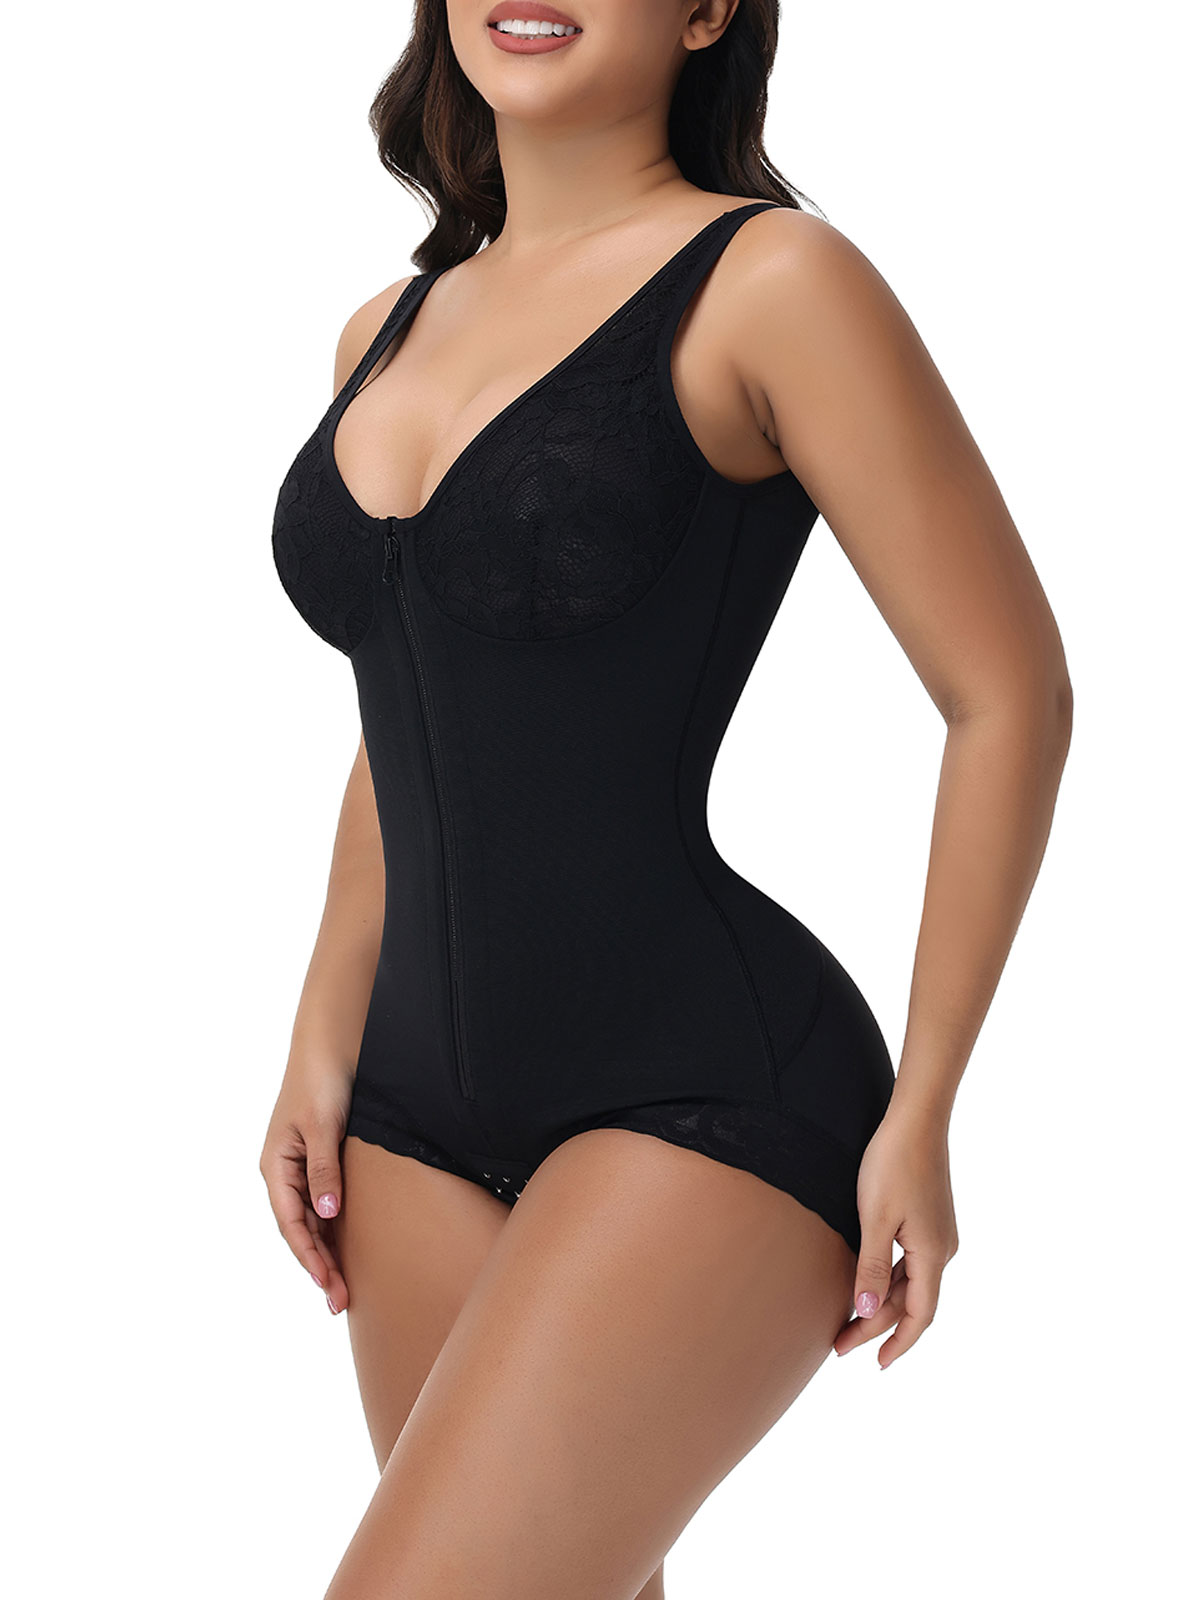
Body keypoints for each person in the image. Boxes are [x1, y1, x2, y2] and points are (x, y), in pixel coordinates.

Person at [261, 3, 1073, 1595]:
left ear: (706, 10)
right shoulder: (380, 334)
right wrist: (320, 1028)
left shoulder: (773, 283)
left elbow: (1009, 696)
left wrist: (926, 1109)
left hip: (702, 1092)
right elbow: (415, 708)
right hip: (405, 1121)